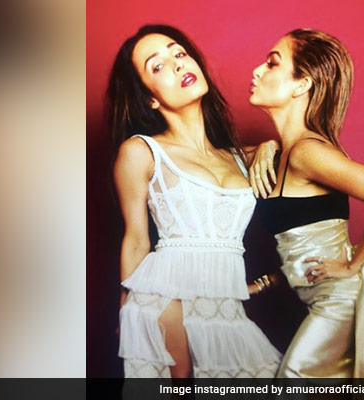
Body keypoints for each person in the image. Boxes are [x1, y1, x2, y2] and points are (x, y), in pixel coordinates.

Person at [107, 24, 281, 379]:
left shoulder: (242, 157)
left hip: (227, 312)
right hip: (164, 303)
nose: (177, 64)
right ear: (150, 98)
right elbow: (136, 239)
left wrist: (271, 145)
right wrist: (126, 313)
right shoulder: (141, 151)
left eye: (180, 53)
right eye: (158, 66)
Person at [248, 29, 364, 378]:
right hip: (318, 300)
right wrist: (266, 146)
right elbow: (306, 243)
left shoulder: (308, 153)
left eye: (272, 63)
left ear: (301, 84)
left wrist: (352, 265)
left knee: (292, 379)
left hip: (340, 302)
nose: (257, 70)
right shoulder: (287, 152)